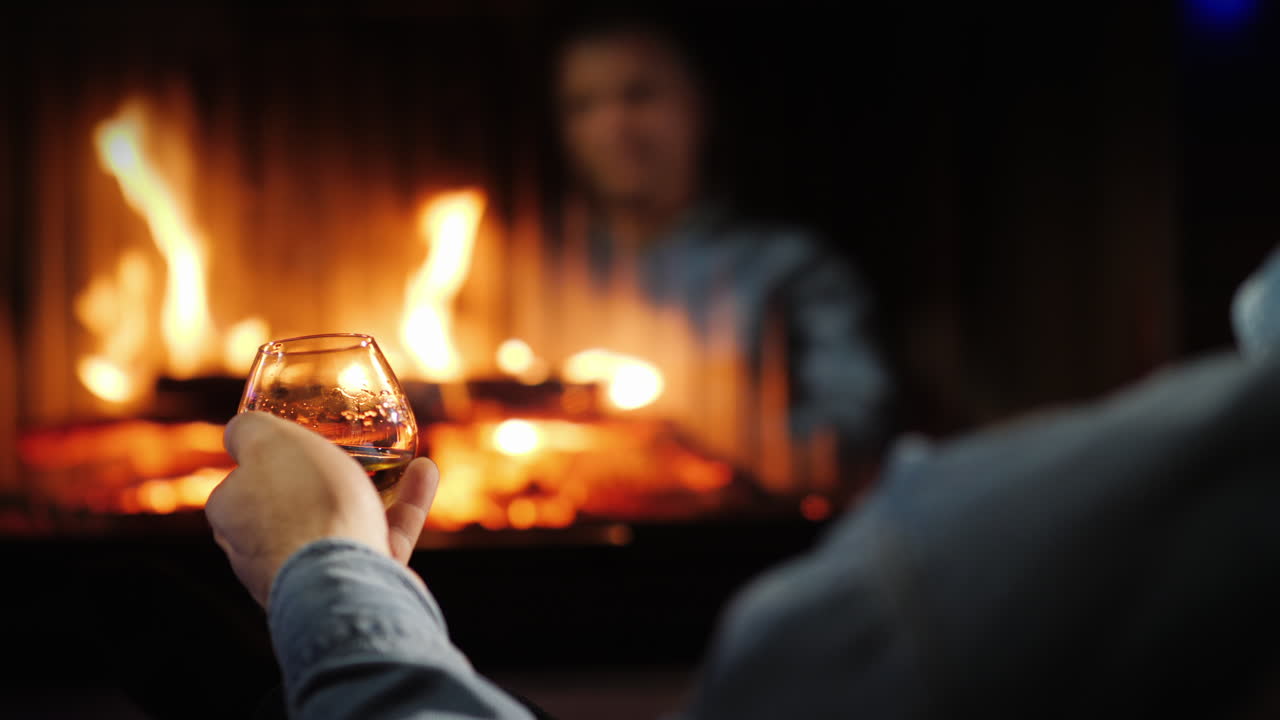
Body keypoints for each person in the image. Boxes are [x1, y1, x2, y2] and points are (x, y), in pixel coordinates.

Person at [552, 9, 893, 455]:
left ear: (698, 106)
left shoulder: (788, 266)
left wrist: (705, 431)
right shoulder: (542, 272)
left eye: (639, 96)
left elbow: (856, 420)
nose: (614, 124)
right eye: (583, 105)